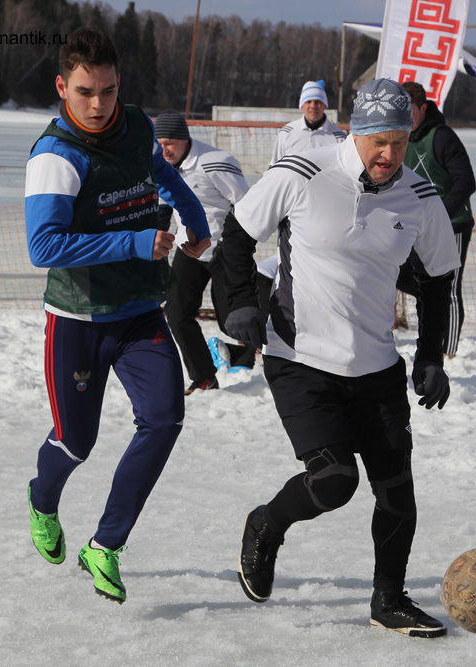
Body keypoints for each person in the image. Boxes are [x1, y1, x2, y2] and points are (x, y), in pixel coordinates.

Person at [219, 78, 460, 638]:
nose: (389, 154)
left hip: (376, 367)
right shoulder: (302, 172)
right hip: (300, 358)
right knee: (333, 481)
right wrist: (239, 305)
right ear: (354, 132)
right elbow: (236, 234)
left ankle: (389, 599)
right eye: (378, 141)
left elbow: (439, 280)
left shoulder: (419, 196)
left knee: (397, 492)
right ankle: (266, 523)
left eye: (399, 142)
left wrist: (431, 357)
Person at [23, 27, 211, 604]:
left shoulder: (135, 125)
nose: (99, 104)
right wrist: (132, 242)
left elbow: (164, 175)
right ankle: (42, 499)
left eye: (107, 90)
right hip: (78, 320)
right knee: (75, 443)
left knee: (165, 418)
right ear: (63, 87)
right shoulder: (56, 157)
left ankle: (105, 544)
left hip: (139, 313)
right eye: (85, 92)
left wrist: (195, 220)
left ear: (119, 83)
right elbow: (44, 247)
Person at [153, 109, 253, 394]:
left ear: (185, 139)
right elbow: (163, 209)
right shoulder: (161, 165)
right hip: (188, 250)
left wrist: (236, 247)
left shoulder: (215, 162)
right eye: (159, 143)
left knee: (232, 321)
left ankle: (264, 355)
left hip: (224, 249)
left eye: (170, 143)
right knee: (176, 314)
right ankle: (204, 377)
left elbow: (247, 206)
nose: (164, 149)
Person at [396, 81, 476, 359]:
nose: (406, 117)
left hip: (452, 223)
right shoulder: (399, 138)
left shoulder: (442, 137)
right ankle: (431, 318)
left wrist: (440, 213)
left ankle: (448, 350)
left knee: (448, 286)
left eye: (410, 110)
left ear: (423, 108)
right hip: (414, 224)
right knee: (401, 275)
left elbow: (466, 181)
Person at [270, 79, 346, 165]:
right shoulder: (286, 133)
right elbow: (274, 167)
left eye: (317, 102)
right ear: (302, 106)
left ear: (325, 105)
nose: (313, 106)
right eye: (308, 101)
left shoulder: (339, 137)